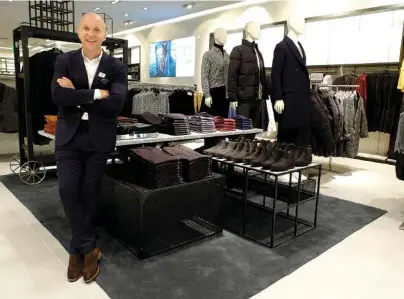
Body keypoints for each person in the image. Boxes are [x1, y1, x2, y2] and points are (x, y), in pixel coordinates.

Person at [51, 12, 127, 283]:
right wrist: (96, 94)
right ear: (78, 31)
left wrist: (77, 95)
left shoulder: (116, 66)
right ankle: (87, 246)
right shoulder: (64, 60)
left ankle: (76, 250)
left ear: (104, 34)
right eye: (86, 28)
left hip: (99, 138)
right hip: (69, 137)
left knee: (89, 191)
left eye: (96, 29)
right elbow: (59, 95)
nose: (91, 33)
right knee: (67, 189)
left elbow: (116, 103)